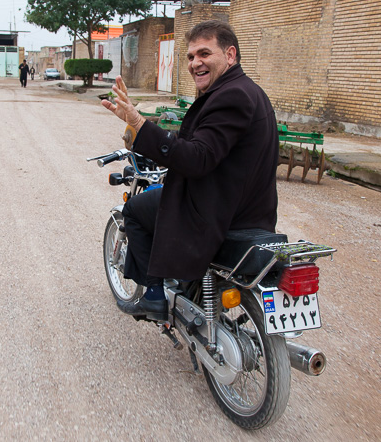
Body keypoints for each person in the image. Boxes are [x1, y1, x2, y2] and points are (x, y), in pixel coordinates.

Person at [100, 20, 279, 319]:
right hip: (244, 208)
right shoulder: (246, 91)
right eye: (191, 57)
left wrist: (140, 125)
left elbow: (197, 158)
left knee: (135, 211)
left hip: (218, 213)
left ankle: (155, 296)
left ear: (230, 55)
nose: (196, 63)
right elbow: (207, 145)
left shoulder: (231, 96)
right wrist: (143, 127)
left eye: (205, 54)